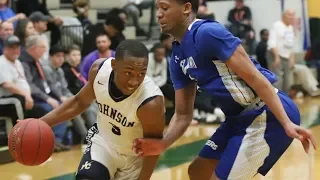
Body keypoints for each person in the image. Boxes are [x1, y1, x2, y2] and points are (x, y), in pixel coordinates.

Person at [132, 0, 317, 180]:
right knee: (198, 172)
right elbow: (182, 114)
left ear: (186, 8)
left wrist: (286, 122)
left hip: (266, 114)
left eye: (164, 7)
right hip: (237, 119)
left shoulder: (207, 33)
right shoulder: (177, 57)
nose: (158, 14)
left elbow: (256, 78)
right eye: (157, 8)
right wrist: (163, 143)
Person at [20, 40, 165, 180]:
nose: (134, 81)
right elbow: (79, 102)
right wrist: (39, 124)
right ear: (114, 65)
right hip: (104, 144)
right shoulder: (99, 71)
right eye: (128, 73)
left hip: (134, 158)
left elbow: (153, 148)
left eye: (141, 74)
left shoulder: (151, 102)